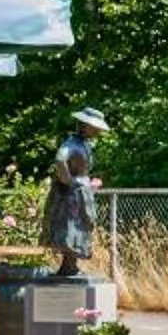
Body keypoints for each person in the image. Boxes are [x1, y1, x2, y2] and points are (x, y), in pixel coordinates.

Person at [42, 107, 110, 278]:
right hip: (71, 194)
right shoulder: (71, 144)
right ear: (83, 125)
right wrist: (68, 180)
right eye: (94, 128)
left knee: (81, 228)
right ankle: (68, 266)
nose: (96, 132)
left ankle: (70, 265)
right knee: (71, 228)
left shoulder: (84, 144)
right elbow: (60, 159)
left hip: (80, 192)